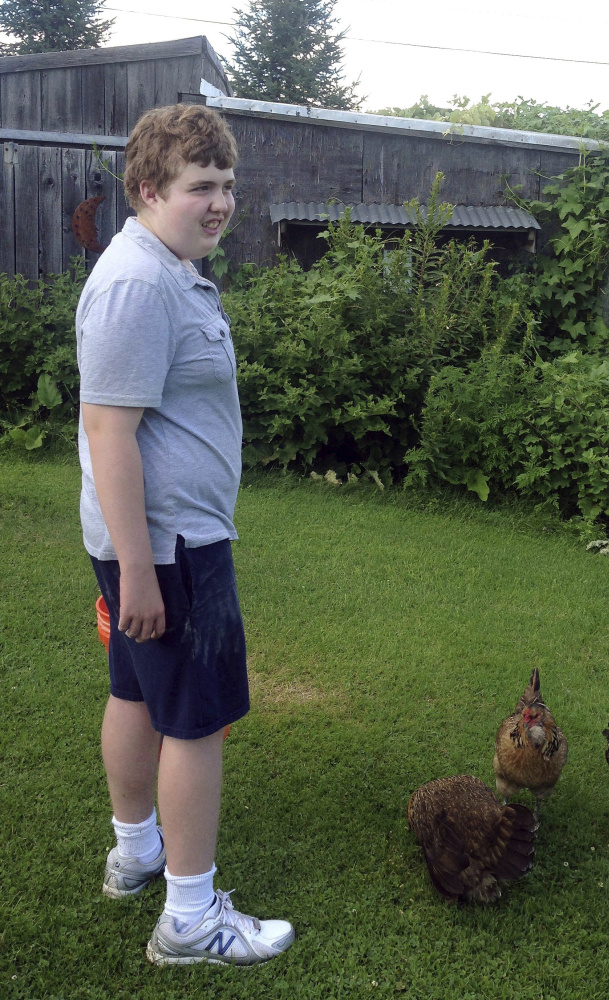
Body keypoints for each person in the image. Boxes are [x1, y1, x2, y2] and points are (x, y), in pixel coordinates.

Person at [76, 103, 294, 967]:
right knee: (195, 723)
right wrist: (138, 569)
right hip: (169, 550)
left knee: (136, 695)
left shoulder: (164, 267)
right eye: (200, 186)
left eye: (228, 186)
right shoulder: (139, 282)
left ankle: (136, 856)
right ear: (146, 189)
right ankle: (192, 919)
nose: (220, 204)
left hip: (156, 545)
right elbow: (107, 431)